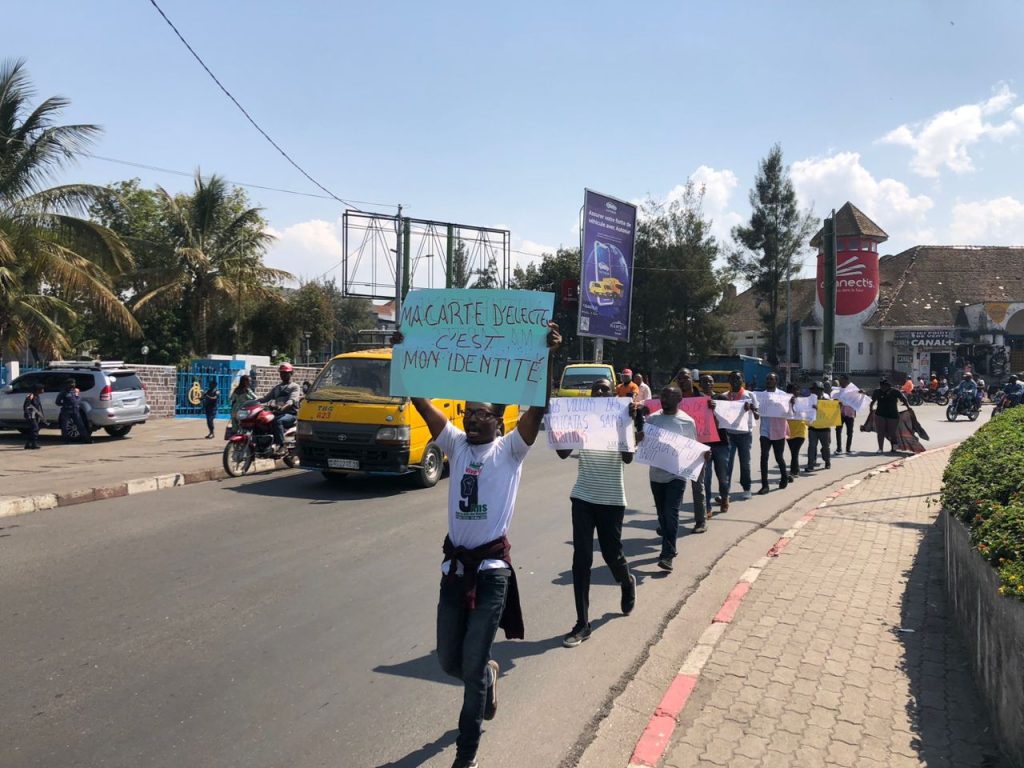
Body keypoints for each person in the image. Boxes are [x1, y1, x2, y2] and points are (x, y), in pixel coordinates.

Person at [394, 323, 561, 768]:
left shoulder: (510, 450)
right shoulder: (454, 444)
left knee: (468, 669)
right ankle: (488, 672)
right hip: (454, 574)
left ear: (498, 420)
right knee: (450, 661)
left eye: (481, 414)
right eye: (467, 413)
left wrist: (546, 357)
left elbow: (539, 407)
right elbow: (421, 404)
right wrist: (404, 359)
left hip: (491, 576)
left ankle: (466, 752)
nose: (471, 418)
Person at [558, 377, 638, 648]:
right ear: (590, 396)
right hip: (583, 495)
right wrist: (563, 428)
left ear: (614, 393)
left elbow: (628, 458)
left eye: (606, 388)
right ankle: (582, 623)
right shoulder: (581, 418)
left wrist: (625, 425)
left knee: (610, 553)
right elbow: (562, 453)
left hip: (612, 498)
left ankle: (626, 581)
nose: (601, 392)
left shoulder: (622, 417)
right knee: (581, 558)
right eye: (596, 389)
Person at [643, 385, 707, 563]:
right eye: (662, 396)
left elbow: (691, 449)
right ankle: (667, 542)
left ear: (679, 400)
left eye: (669, 397)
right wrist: (640, 438)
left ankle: (668, 554)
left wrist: (703, 456)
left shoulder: (687, 422)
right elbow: (644, 444)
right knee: (662, 514)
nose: (664, 400)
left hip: (676, 476)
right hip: (656, 475)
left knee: (671, 512)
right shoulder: (652, 419)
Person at [723, 370, 759, 501]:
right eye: (732, 379)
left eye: (738, 379)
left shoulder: (749, 395)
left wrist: (751, 408)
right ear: (729, 381)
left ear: (742, 380)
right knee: (727, 464)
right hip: (729, 434)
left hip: (744, 434)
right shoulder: (724, 396)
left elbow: (757, 415)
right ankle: (725, 492)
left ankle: (747, 488)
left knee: (745, 463)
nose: (735, 381)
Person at [698, 373, 730, 517]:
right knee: (706, 478)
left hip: (721, 442)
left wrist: (716, 409)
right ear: (700, 384)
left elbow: (728, 419)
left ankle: (724, 497)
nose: (708, 384)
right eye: (705, 382)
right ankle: (707, 507)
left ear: (713, 383)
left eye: (710, 382)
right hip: (703, 444)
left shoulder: (721, 399)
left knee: (722, 476)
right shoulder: (696, 400)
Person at [757, 372, 790, 494]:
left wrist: (790, 403)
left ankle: (784, 477)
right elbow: (756, 412)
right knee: (764, 457)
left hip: (778, 430)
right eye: (767, 379)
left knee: (778, 457)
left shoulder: (783, 395)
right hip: (765, 430)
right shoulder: (761, 396)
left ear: (776, 381)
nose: (769, 381)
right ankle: (765, 485)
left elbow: (789, 411)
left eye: (771, 379)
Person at [259, 363, 302, 453]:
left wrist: (283, 407)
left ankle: (282, 445)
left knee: (278, 421)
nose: (283, 375)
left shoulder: (294, 387)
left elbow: (292, 401)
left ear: (291, 373)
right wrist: (254, 401)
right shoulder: (277, 388)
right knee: (262, 419)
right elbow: (265, 398)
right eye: (281, 373)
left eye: (286, 373)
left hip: (291, 414)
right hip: (278, 413)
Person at [869, 378, 910, 454]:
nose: (882, 388)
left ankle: (894, 447)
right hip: (880, 414)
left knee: (892, 433)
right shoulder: (877, 391)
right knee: (880, 432)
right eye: (881, 386)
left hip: (893, 414)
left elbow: (903, 399)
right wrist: (870, 409)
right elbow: (873, 401)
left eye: (884, 386)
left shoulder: (895, 391)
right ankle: (880, 448)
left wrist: (908, 407)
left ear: (889, 386)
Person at [805, 382, 832, 471]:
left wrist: (819, 408)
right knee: (812, 446)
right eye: (813, 390)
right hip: (813, 428)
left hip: (824, 428)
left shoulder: (827, 400)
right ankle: (810, 465)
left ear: (821, 391)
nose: (814, 391)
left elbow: (830, 414)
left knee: (825, 447)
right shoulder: (809, 400)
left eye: (817, 390)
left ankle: (827, 461)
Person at [56, 377, 90, 443]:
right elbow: (57, 402)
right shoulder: (63, 392)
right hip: (66, 411)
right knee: (65, 426)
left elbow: (78, 399)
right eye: (71, 383)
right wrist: (65, 404)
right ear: (67, 384)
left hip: (75, 410)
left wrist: (77, 398)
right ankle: (66, 440)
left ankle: (86, 439)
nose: (72, 385)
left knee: (80, 425)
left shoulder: (75, 391)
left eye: (73, 383)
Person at [834, 373, 861, 455]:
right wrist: (836, 403)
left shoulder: (853, 390)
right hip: (839, 413)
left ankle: (848, 449)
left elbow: (857, 400)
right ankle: (839, 449)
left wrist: (861, 394)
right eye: (839, 379)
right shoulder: (837, 390)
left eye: (841, 379)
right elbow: (833, 400)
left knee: (849, 432)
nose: (840, 381)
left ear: (847, 381)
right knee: (838, 431)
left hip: (850, 413)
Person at [784, 383, 806, 480]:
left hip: (800, 430)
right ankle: (796, 469)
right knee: (793, 451)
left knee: (795, 451)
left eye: (796, 390)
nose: (794, 393)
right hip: (789, 431)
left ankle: (793, 472)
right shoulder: (784, 402)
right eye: (791, 391)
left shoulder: (803, 402)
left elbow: (806, 413)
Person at [23, 382, 45, 449]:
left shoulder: (37, 396)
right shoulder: (31, 396)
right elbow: (26, 406)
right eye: (42, 389)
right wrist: (28, 414)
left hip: (35, 415)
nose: (43, 390)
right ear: (37, 390)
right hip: (31, 415)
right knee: (35, 429)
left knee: (32, 429)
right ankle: (34, 444)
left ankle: (28, 444)